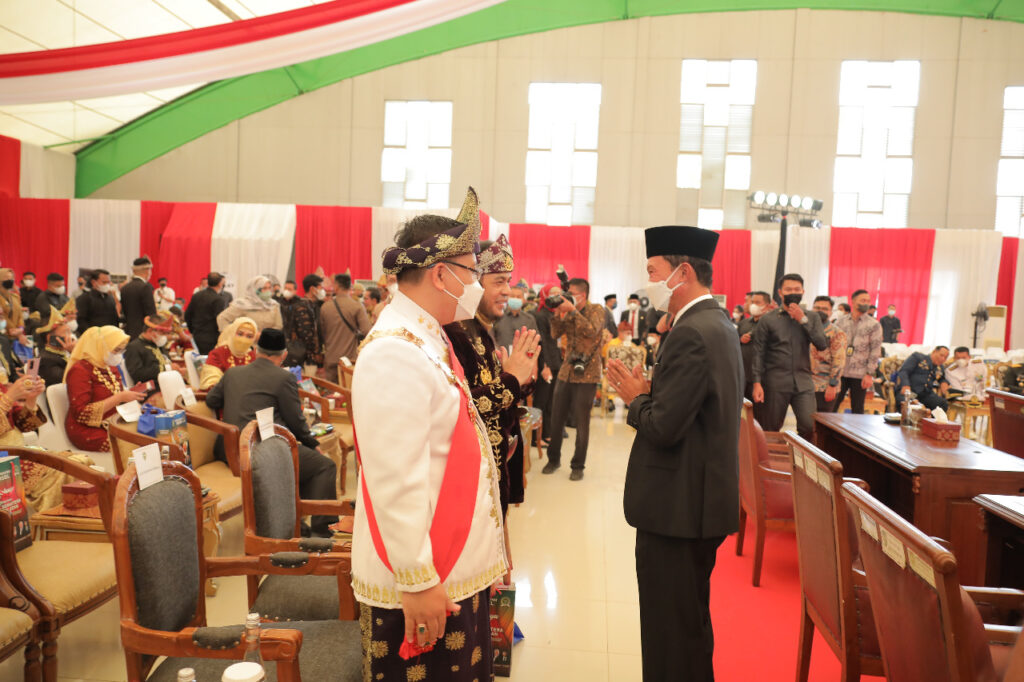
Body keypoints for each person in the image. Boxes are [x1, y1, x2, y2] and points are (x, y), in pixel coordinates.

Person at [351, 206, 507, 681]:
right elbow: (395, 479)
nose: (477, 283)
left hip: (451, 562)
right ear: (441, 274)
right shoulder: (394, 351)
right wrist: (417, 580)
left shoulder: (425, 336)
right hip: (422, 580)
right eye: (472, 271)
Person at [606, 224, 741, 682]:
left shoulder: (692, 332)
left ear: (682, 273)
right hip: (696, 501)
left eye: (652, 271)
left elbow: (664, 427)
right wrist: (653, 394)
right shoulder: (715, 323)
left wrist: (636, 398)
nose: (648, 281)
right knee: (687, 626)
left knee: (670, 632)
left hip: (679, 510)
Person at [205, 328, 337, 536]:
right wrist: (313, 444)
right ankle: (322, 531)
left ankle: (295, 523)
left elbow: (212, 400)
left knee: (301, 463)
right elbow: (296, 422)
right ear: (283, 355)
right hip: (262, 450)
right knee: (323, 466)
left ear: (256, 351)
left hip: (228, 450)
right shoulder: (283, 378)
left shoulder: (232, 373)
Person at [444, 233, 539, 518]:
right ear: (473, 282)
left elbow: (497, 394)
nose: (508, 291)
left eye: (508, 281)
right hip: (471, 477)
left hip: (494, 469)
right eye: (499, 282)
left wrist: (521, 379)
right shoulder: (454, 333)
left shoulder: (479, 330)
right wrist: (512, 379)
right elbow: (459, 407)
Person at [542, 277, 606, 481]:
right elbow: (554, 334)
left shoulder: (596, 309)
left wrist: (573, 311)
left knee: (581, 422)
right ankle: (553, 460)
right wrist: (558, 314)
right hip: (566, 370)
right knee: (556, 417)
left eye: (572, 294)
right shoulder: (568, 311)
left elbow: (591, 331)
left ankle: (578, 465)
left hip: (587, 373)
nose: (568, 297)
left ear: (583, 295)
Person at [750, 273, 827, 440]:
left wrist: (803, 320)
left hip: (803, 381)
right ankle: (772, 456)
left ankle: (799, 454)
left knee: (809, 425)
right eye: (789, 289)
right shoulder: (768, 319)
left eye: (797, 289)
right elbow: (758, 352)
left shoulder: (812, 317)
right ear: (780, 292)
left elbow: (822, 344)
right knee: (770, 427)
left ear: (803, 291)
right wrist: (757, 382)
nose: (793, 292)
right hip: (775, 381)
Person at [64, 326, 147, 451]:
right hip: (87, 430)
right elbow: (82, 414)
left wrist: (129, 395)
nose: (119, 355)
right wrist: (120, 397)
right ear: (100, 347)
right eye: (116, 350)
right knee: (134, 443)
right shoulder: (80, 370)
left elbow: (116, 396)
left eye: (121, 351)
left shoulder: (109, 367)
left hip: (114, 421)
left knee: (152, 432)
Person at [834, 289, 883, 414]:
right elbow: (834, 345)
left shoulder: (874, 325)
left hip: (860, 373)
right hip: (840, 371)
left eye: (868, 301)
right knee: (832, 406)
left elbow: (875, 350)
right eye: (863, 300)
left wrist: (869, 374)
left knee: (857, 409)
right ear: (853, 301)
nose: (866, 303)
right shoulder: (840, 321)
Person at [320, 273, 371, 375]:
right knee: (348, 385)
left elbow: (322, 333)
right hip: (349, 360)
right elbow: (367, 331)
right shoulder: (357, 306)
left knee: (331, 385)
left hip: (331, 358)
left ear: (336, 287)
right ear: (350, 287)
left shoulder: (325, 307)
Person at [532, 285, 561, 443]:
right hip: (545, 363)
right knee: (541, 400)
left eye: (558, 294)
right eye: (553, 293)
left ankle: (546, 433)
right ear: (544, 295)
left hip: (556, 361)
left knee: (551, 401)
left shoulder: (555, 314)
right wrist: (544, 365)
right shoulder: (540, 315)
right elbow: (542, 343)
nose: (556, 297)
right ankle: (535, 437)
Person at [810, 296, 847, 412]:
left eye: (825, 309)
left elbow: (839, 362)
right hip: (806, 384)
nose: (820, 311)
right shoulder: (806, 329)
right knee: (806, 419)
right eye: (817, 308)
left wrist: (832, 385)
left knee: (822, 420)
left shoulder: (837, 333)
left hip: (825, 386)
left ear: (831, 312)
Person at [199, 317, 257, 390]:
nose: (244, 339)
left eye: (249, 336)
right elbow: (211, 382)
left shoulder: (253, 356)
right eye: (240, 334)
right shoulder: (217, 354)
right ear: (232, 333)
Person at [284, 274, 326, 368]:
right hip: (304, 356)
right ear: (312, 289)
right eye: (321, 287)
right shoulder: (302, 306)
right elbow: (306, 335)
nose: (323, 290)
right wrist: (316, 353)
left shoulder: (314, 305)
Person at [737, 290, 770, 405]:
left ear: (766, 306)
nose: (753, 305)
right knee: (743, 408)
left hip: (762, 377)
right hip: (743, 374)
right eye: (752, 302)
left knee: (759, 409)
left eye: (758, 302)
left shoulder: (770, 324)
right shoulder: (744, 323)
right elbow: (734, 341)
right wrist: (740, 339)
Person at [216, 275, 282, 332]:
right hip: (245, 341)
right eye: (264, 288)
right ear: (255, 290)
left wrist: (264, 335)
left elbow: (278, 326)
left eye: (269, 288)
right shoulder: (243, 304)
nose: (268, 291)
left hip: (268, 341)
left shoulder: (273, 305)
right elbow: (222, 318)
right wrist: (234, 333)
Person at [124, 312, 175, 385]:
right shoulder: (133, 347)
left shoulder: (158, 344)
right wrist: (166, 368)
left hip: (168, 383)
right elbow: (137, 374)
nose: (165, 336)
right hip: (152, 388)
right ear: (150, 330)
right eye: (162, 333)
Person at [184, 272, 228, 354]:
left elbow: (187, 315)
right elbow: (220, 320)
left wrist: (192, 331)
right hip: (212, 337)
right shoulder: (219, 299)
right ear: (220, 284)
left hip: (197, 335)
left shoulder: (196, 295)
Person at [897, 346, 950, 411]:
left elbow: (941, 378)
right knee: (909, 403)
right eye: (941, 355)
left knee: (942, 403)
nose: (943, 359)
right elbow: (904, 371)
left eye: (945, 357)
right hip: (911, 391)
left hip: (926, 395)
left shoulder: (940, 367)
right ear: (934, 352)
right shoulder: (918, 357)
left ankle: (930, 417)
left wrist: (944, 382)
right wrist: (905, 385)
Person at [36, 307, 76, 387]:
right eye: (66, 332)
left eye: (70, 332)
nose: (70, 336)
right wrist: (74, 354)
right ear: (50, 338)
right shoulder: (46, 360)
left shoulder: (63, 353)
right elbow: (70, 379)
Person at [120, 256, 157, 338]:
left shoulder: (125, 288)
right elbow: (150, 313)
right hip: (143, 331)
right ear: (147, 270)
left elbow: (124, 311)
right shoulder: (145, 287)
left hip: (128, 330)